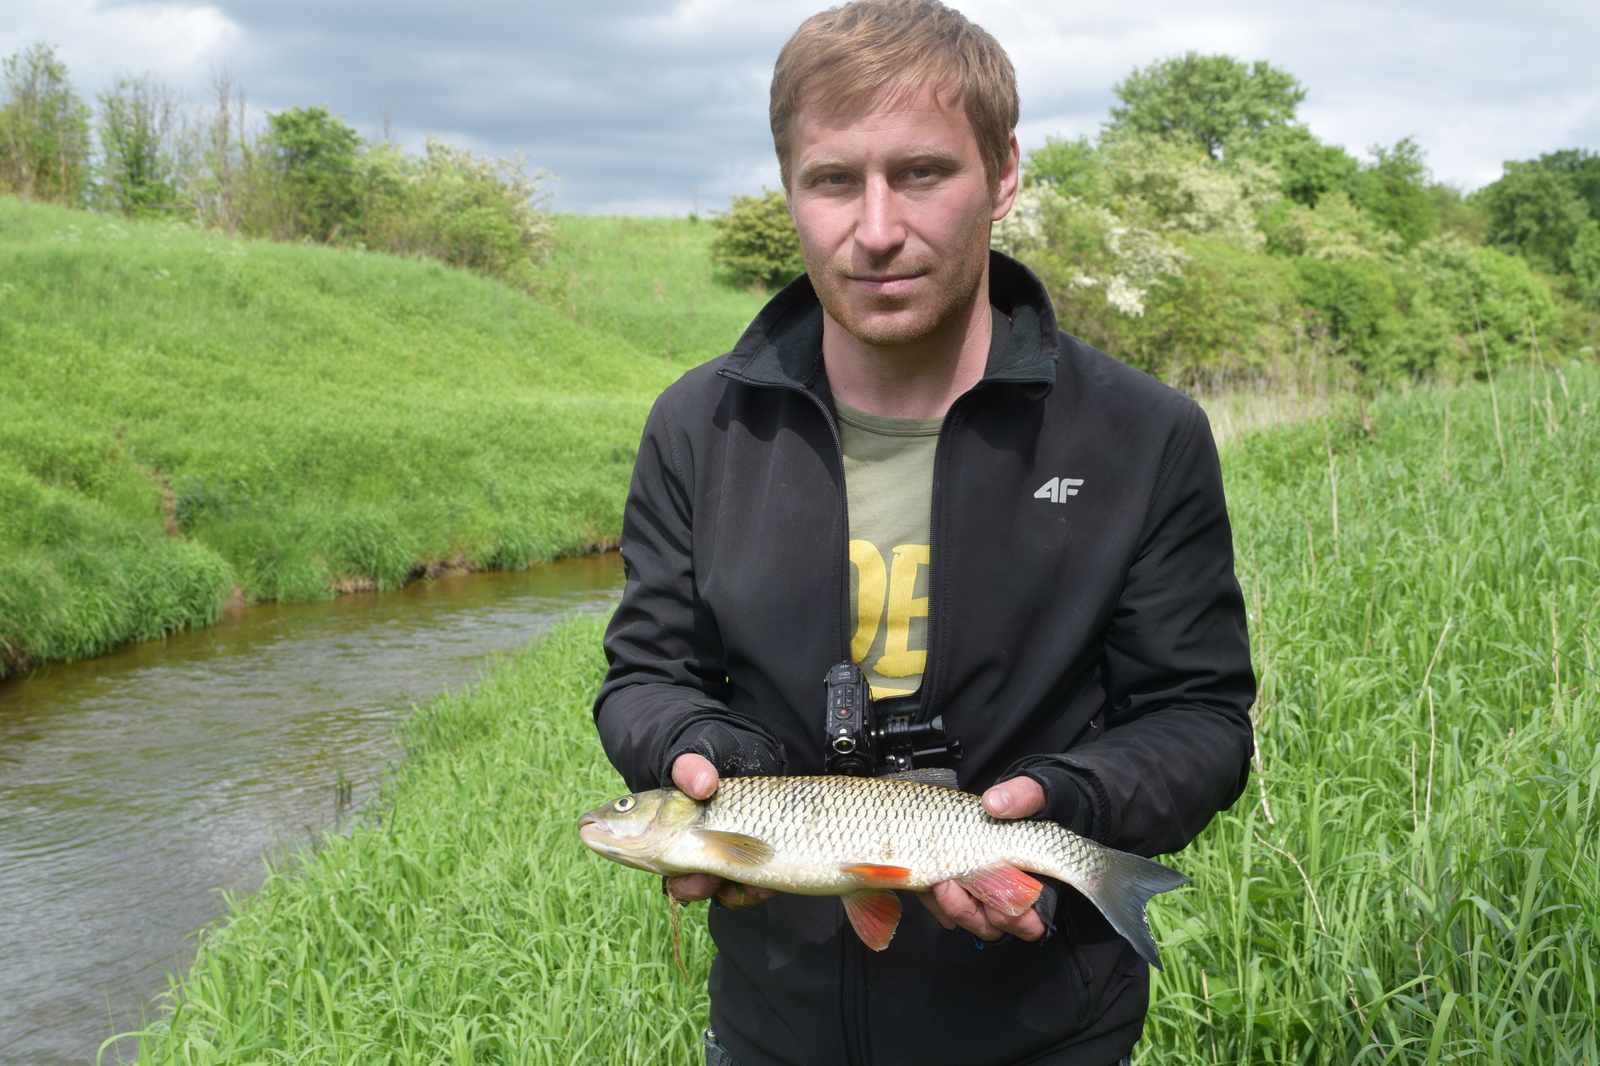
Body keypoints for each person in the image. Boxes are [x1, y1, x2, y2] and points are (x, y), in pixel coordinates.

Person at [592, 2, 1256, 1063]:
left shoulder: (1142, 435)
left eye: (921, 173)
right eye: (832, 180)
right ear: (791, 192)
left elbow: (1199, 721)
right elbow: (644, 675)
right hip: (773, 1025)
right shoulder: (698, 424)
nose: (876, 228)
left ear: (1001, 174)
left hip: (1048, 1022)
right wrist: (710, 763)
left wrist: (1057, 802)